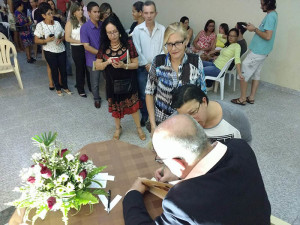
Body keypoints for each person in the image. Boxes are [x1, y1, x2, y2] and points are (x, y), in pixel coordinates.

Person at [123, 114, 271, 225]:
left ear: (178, 163)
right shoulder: (240, 147)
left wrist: (133, 194)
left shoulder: (181, 203)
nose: (161, 165)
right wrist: (177, 171)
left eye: (162, 160)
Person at [145, 22, 206, 136]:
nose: (173, 48)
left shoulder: (196, 62)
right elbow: (149, 93)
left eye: (178, 43)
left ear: (186, 41)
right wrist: (153, 125)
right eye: (169, 44)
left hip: (187, 122)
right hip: (161, 121)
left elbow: (202, 94)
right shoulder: (158, 62)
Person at [94, 14, 146, 141]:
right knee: (116, 107)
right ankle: (118, 128)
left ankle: (138, 128)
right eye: (109, 33)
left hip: (129, 80)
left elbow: (136, 64)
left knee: (133, 107)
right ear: (105, 33)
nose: (113, 35)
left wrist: (124, 65)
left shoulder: (128, 43)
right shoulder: (104, 46)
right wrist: (107, 62)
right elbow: (98, 66)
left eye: (115, 32)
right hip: (112, 82)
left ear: (119, 30)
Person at [232, 0, 278, 106]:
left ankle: (242, 98)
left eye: (262, 4)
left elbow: (267, 36)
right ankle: (251, 97)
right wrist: (253, 28)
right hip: (263, 51)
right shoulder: (273, 15)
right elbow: (265, 32)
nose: (261, 6)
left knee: (244, 70)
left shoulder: (271, 16)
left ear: (268, 4)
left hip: (258, 51)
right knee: (256, 73)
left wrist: (254, 29)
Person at [171, 84, 252, 144]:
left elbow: (247, 142)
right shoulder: (179, 116)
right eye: (185, 117)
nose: (190, 121)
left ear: (204, 101)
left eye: (193, 112)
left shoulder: (235, 116)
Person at [132, 1, 165, 127]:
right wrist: (147, 64)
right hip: (142, 68)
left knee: (158, 92)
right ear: (142, 14)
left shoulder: (162, 29)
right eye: (146, 13)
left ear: (156, 13)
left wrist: (154, 64)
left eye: (151, 12)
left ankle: (158, 116)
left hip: (158, 67)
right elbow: (136, 49)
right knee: (143, 93)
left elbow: (164, 47)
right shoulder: (137, 30)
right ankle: (145, 116)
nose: (149, 15)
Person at [34, 2, 72, 96]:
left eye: (51, 13)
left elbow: (63, 35)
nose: (51, 15)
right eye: (49, 14)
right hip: (49, 51)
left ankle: (65, 86)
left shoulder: (57, 23)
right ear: (43, 15)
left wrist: (61, 39)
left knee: (63, 69)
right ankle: (57, 88)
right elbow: (36, 40)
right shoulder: (40, 25)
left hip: (61, 49)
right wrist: (45, 40)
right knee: (54, 69)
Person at [65, 2, 90, 97]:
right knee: (80, 68)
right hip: (77, 48)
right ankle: (80, 88)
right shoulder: (70, 23)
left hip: (86, 47)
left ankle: (90, 86)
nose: (81, 12)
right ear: (74, 12)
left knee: (88, 67)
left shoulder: (85, 21)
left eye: (81, 10)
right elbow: (67, 38)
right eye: (78, 10)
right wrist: (81, 41)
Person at [80, 1, 102, 108]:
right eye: (95, 12)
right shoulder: (84, 28)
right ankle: (96, 98)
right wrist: (100, 53)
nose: (97, 14)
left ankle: (111, 97)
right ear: (89, 13)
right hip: (92, 59)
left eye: (98, 12)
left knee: (108, 78)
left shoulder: (102, 25)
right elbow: (86, 46)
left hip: (105, 58)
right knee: (95, 81)